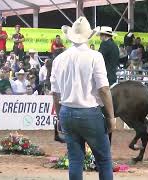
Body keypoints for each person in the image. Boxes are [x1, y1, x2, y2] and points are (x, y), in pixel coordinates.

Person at [51, 17, 115, 180]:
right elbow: (104, 89)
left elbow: (55, 94)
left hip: (66, 111)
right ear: (89, 36)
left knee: (75, 160)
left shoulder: (59, 59)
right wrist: (110, 117)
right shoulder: (95, 56)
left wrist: (59, 117)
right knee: (104, 160)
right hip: (89, 113)